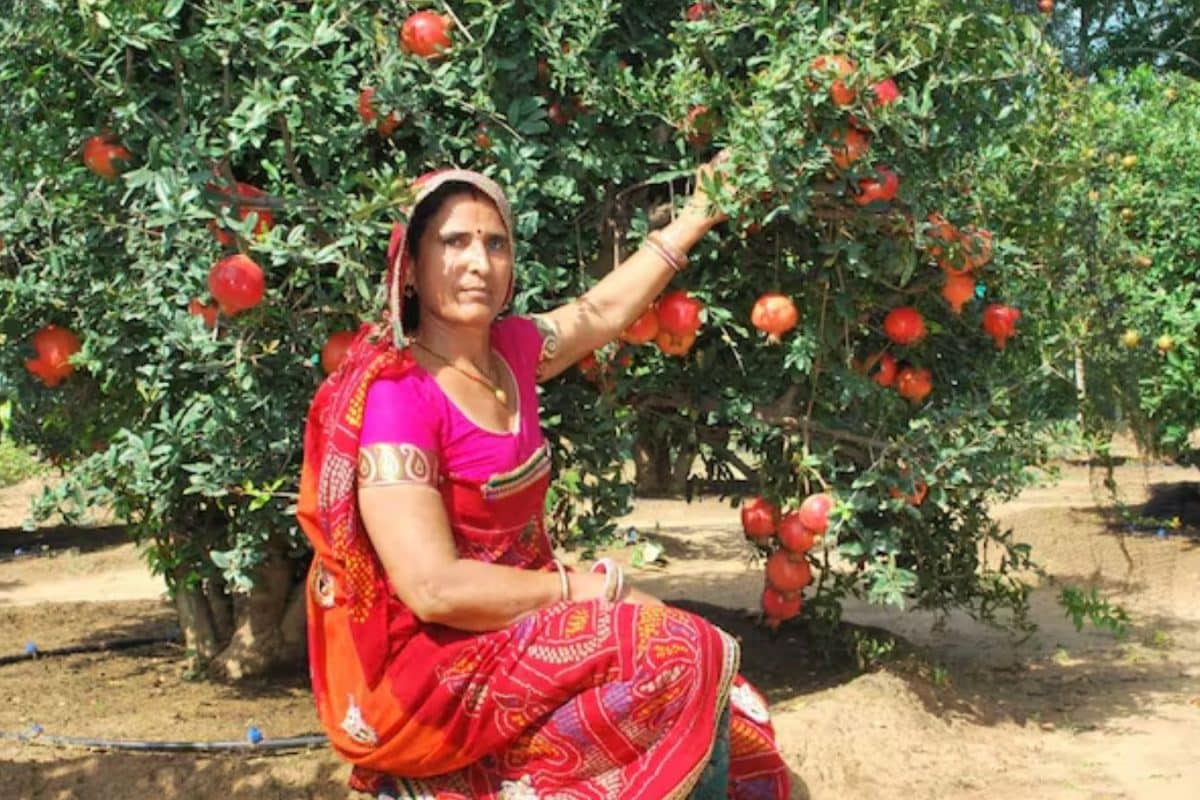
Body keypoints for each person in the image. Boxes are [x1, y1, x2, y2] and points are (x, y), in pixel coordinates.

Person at [296, 160, 791, 799]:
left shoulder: (514, 353)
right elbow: (433, 589)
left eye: (494, 242)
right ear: (411, 270)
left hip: (513, 624)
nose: (479, 261)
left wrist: (702, 210)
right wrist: (587, 591)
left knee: (729, 695)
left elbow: (602, 310)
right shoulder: (399, 399)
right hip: (434, 665)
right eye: (454, 242)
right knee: (678, 654)